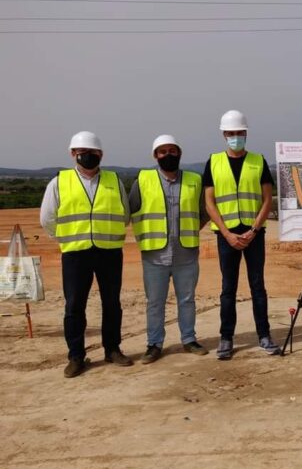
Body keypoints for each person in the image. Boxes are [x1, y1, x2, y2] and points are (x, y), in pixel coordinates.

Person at [40, 131, 132, 377]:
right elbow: (47, 218)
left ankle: (112, 349)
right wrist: (66, 238)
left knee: (112, 303)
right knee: (74, 306)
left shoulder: (114, 180)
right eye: (83, 152)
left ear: (101, 155)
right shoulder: (59, 181)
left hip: (109, 251)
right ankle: (76, 356)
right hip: (76, 253)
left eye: (94, 153)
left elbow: (124, 215)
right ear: (73, 154)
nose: (89, 156)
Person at [204, 110, 279, 360]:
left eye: (240, 133)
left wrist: (254, 230)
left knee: (258, 286)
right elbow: (209, 203)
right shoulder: (213, 162)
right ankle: (226, 338)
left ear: (245, 134)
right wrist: (226, 233)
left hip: (253, 234)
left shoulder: (258, 161)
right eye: (231, 133)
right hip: (227, 237)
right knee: (228, 288)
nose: (236, 137)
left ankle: (264, 335)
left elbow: (267, 199)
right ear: (224, 135)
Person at [129, 135, 209, 364]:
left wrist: (191, 228)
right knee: (155, 302)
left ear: (179, 153)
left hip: (186, 253)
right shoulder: (143, 180)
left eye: (172, 151)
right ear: (155, 156)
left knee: (187, 300)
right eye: (162, 152)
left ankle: (189, 339)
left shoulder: (194, 180)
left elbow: (203, 212)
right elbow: (131, 210)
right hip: (154, 255)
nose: (168, 155)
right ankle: (154, 344)